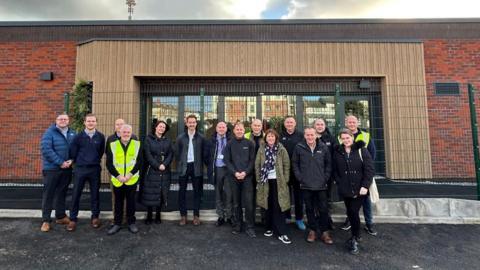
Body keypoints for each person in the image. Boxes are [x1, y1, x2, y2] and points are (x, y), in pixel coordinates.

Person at [333, 129, 374, 254]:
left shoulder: (362, 150)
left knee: (353, 211)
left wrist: (365, 186)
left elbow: (369, 169)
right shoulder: (338, 152)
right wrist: (339, 182)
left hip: (360, 189)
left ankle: (354, 238)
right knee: (351, 213)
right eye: (343, 138)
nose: (346, 140)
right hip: (345, 188)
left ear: (352, 137)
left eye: (348, 138)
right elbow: (335, 170)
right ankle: (357, 233)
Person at [292, 128, 333, 244]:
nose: (310, 137)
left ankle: (325, 232)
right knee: (309, 209)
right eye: (307, 135)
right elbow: (295, 164)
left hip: (321, 184)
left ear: (316, 136)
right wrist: (300, 178)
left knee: (323, 209)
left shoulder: (323, 147)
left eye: (312, 135)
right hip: (306, 184)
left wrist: (325, 178)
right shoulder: (299, 147)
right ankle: (313, 230)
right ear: (304, 136)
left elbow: (328, 164)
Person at [67, 114, 105, 232]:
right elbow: (73, 152)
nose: (91, 123)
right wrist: (79, 162)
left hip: (94, 169)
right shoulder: (78, 137)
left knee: (95, 194)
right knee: (76, 194)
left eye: (93, 121)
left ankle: (95, 217)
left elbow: (100, 152)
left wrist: (93, 160)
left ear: (96, 123)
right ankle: (73, 219)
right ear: (84, 122)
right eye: (88, 121)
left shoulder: (100, 137)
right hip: (80, 169)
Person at [340, 115, 377, 236]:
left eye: (353, 122)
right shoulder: (341, 136)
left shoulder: (365, 135)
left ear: (357, 123)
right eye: (349, 122)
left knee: (365, 200)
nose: (351, 124)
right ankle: (350, 220)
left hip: (362, 175)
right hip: (348, 176)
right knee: (350, 202)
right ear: (346, 123)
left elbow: (372, 153)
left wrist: (366, 171)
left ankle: (369, 223)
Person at [39, 113, 76, 232]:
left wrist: (72, 159)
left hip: (66, 169)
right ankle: (46, 220)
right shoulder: (49, 132)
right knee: (48, 194)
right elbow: (46, 149)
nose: (63, 121)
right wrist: (60, 162)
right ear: (56, 120)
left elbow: (75, 149)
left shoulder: (72, 133)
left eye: (65, 119)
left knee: (62, 193)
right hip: (52, 169)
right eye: (60, 119)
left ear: (68, 121)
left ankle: (60, 216)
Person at [255, 129, 292, 244]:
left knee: (279, 206)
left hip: (278, 182)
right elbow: (257, 165)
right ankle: (269, 227)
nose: (270, 138)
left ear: (276, 138)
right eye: (268, 137)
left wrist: (285, 179)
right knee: (268, 205)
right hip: (265, 182)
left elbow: (287, 165)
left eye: (272, 137)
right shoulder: (261, 149)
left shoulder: (281, 149)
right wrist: (258, 179)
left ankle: (281, 232)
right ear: (265, 138)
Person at [106, 124, 143, 235]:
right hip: (118, 180)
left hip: (131, 179)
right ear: (120, 133)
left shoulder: (137, 144)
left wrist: (129, 175)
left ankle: (131, 223)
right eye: (124, 132)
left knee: (131, 202)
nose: (126, 134)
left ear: (131, 133)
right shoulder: (113, 145)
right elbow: (109, 163)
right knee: (118, 202)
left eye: (128, 132)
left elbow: (140, 162)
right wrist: (118, 176)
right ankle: (117, 223)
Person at [224, 122, 256, 237]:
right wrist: (235, 172)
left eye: (241, 129)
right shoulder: (229, 144)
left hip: (247, 178)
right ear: (234, 131)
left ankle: (250, 227)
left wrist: (245, 172)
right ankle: (238, 225)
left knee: (248, 204)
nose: (239, 131)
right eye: (237, 129)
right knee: (236, 203)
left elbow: (253, 161)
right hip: (234, 177)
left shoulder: (250, 143)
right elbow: (227, 161)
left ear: (244, 130)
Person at [175, 114, 208, 226]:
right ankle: (183, 216)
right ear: (186, 123)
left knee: (197, 193)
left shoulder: (201, 137)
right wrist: (180, 164)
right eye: (190, 122)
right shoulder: (180, 138)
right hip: (184, 167)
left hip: (196, 167)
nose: (192, 124)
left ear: (196, 123)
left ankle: (196, 216)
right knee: (181, 192)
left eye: (194, 122)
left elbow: (204, 154)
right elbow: (177, 154)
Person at [140, 120, 173, 225]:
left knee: (160, 192)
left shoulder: (168, 140)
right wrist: (157, 165)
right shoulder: (148, 139)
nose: (162, 128)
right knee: (150, 192)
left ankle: (158, 215)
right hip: (152, 169)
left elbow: (170, 154)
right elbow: (148, 155)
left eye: (163, 127)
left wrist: (165, 164)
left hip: (165, 169)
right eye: (160, 126)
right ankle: (149, 215)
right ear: (155, 127)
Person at [279, 116, 305, 230]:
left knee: (299, 196)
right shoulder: (280, 136)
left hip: (298, 170)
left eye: (291, 122)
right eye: (287, 122)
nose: (289, 124)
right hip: (284, 170)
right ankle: (286, 216)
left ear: (295, 124)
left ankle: (299, 219)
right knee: (285, 195)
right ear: (284, 124)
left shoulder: (301, 136)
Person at [207, 121, 233, 227]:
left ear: (226, 128)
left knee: (229, 193)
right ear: (216, 128)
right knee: (218, 193)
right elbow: (206, 155)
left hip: (229, 169)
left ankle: (230, 216)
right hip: (217, 169)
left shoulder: (231, 139)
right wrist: (211, 166)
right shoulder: (211, 140)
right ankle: (221, 216)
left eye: (223, 127)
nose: (221, 129)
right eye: (219, 127)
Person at [313, 118, 337, 230]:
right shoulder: (310, 138)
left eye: (321, 124)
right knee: (315, 199)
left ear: (325, 125)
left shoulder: (331, 139)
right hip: (313, 175)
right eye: (317, 124)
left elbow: (335, 157)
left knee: (327, 199)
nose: (319, 126)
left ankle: (327, 219)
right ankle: (316, 219)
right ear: (314, 126)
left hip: (327, 175)